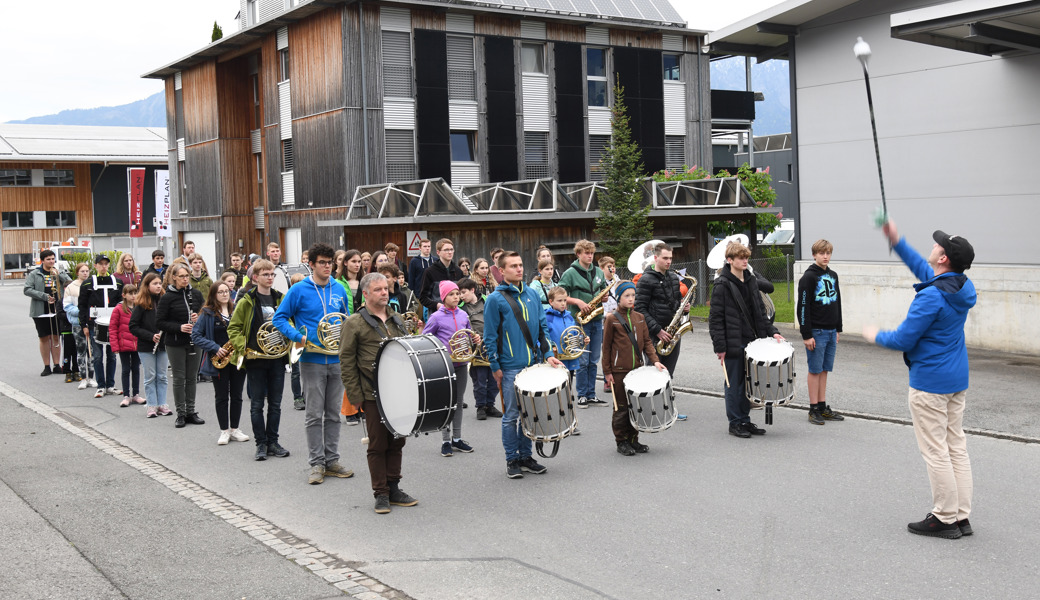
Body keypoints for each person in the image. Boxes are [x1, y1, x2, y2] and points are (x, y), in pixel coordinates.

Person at [863, 221, 976, 540]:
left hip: (930, 383)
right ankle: (961, 516)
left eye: (938, 245)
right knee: (956, 446)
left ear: (943, 259)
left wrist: (876, 335)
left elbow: (903, 339)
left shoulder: (932, 297)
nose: (935, 245)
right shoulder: (961, 286)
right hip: (956, 378)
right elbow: (921, 267)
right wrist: (896, 241)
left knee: (937, 451)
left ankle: (944, 517)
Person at [273, 243, 354, 485]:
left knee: (333, 414)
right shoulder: (299, 289)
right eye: (322, 262)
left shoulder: (339, 288)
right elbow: (279, 318)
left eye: (330, 263)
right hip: (311, 359)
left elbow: (345, 321)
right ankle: (316, 463)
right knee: (313, 414)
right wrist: (298, 337)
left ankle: (332, 461)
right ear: (312, 264)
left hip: (336, 359)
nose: (327, 266)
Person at [340, 273, 418, 514]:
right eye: (378, 290)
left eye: (386, 288)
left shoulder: (396, 318)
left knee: (398, 439)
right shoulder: (354, 323)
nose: (384, 292)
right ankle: (381, 493)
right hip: (372, 393)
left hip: (400, 391)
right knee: (377, 444)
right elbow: (346, 361)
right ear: (365, 294)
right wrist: (356, 397)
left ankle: (394, 488)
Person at [483, 251, 563, 479]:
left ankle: (526, 457)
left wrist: (548, 354)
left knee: (530, 414)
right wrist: (495, 365)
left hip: (533, 365)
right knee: (511, 416)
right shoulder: (494, 299)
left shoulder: (532, 294)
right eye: (513, 266)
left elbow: (542, 329)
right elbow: (489, 336)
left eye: (520, 265)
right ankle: (512, 459)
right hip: (509, 367)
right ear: (501, 270)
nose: (519, 269)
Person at [708, 242, 783, 439]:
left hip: (752, 342)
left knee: (749, 384)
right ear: (729, 260)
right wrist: (720, 347)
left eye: (746, 258)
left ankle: (745, 420)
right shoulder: (721, 285)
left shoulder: (751, 281)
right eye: (741, 258)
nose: (745, 261)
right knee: (734, 384)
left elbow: (760, 312)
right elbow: (715, 320)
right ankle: (735, 422)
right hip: (733, 343)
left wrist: (773, 332)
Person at [228, 259, 290, 461]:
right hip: (256, 358)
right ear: (255, 277)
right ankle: (260, 444)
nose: (270, 278)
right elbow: (234, 328)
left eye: (272, 274)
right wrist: (242, 347)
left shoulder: (281, 299)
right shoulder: (247, 301)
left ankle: (273, 441)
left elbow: (290, 322)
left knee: (276, 404)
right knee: (256, 405)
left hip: (277, 358)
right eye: (266, 274)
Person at [603, 281, 666, 455]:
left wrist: (655, 361)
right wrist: (607, 372)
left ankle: (633, 439)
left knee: (635, 406)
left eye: (633, 295)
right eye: (627, 296)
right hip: (618, 371)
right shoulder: (612, 318)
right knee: (621, 408)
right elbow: (606, 347)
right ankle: (621, 441)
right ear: (619, 298)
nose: (631, 299)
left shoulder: (640, 317)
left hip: (637, 370)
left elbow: (647, 342)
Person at [193, 282, 250, 446]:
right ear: (214, 295)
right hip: (220, 359)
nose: (225, 294)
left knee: (237, 395)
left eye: (227, 291)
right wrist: (215, 348)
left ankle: (235, 429)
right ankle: (224, 431)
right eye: (221, 292)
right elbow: (196, 335)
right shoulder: (207, 313)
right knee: (222, 396)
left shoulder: (236, 310)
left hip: (237, 358)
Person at [423, 281, 476, 457]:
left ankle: (457, 439)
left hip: (462, 364)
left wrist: (475, 340)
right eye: (452, 294)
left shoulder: (463, 315)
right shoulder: (436, 317)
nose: (456, 297)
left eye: (458, 294)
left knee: (459, 402)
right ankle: (445, 440)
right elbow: (425, 338)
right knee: (447, 403)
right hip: (445, 365)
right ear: (444, 297)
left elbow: (468, 334)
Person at [797, 239, 845, 425]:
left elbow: (837, 303)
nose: (825, 256)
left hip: (831, 331)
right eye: (822, 253)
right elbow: (802, 307)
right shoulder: (808, 277)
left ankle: (823, 406)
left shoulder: (833, 275)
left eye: (828, 253)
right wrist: (806, 334)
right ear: (814, 255)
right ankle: (813, 408)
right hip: (816, 332)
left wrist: (838, 328)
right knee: (815, 370)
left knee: (825, 370)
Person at [558, 240, 608, 408]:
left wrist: (604, 296)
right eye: (586, 253)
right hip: (580, 320)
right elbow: (560, 295)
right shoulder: (570, 273)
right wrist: (578, 301)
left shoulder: (599, 272)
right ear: (578, 254)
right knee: (583, 360)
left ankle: (592, 394)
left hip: (596, 319)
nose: (589, 256)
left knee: (594, 360)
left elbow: (603, 290)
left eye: (591, 253)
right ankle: (581, 395)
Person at [156, 263, 205, 428]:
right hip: (175, 342)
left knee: (192, 377)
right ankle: (181, 414)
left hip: (194, 341)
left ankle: (191, 411)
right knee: (179, 378)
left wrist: (199, 317)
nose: (185, 279)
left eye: (187, 276)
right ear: (174, 277)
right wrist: (179, 327)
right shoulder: (167, 297)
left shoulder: (196, 294)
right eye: (182, 276)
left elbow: (205, 313)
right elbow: (160, 322)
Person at [634, 243, 683, 376]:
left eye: (670, 258)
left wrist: (683, 307)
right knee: (654, 373)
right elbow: (639, 309)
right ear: (655, 258)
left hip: (672, 332)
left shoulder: (673, 277)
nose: (669, 262)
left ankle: (667, 396)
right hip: (654, 335)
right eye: (665, 258)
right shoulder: (645, 279)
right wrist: (657, 330)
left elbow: (676, 301)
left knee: (668, 372)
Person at [544, 286, 587, 434]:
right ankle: (555, 423)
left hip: (570, 360)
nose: (563, 304)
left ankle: (569, 422)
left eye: (565, 300)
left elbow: (574, 335)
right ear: (551, 302)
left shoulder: (569, 317)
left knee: (567, 391)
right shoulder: (547, 317)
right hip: (556, 360)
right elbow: (542, 338)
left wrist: (582, 339)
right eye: (559, 301)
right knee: (555, 393)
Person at [79, 254, 122, 397]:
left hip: (113, 324)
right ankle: (101, 385)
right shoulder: (87, 283)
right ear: (96, 266)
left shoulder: (117, 282)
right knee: (97, 356)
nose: (104, 266)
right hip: (94, 324)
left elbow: (122, 304)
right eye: (101, 264)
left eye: (106, 264)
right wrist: (83, 325)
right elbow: (82, 306)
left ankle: (110, 385)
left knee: (112, 356)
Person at [459, 278, 501, 421]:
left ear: (472, 290)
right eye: (459, 293)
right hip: (476, 348)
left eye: (463, 292)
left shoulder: (488, 301)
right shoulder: (461, 309)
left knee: (495, 377)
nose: (461, 296)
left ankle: (490, 404)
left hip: (493, 343)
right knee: (480, 380)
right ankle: (481, 407)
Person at [130, 273, 171, 418]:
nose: (158, 286)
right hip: (146, 346)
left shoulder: (165, 302)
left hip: (163, 344)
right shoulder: (141, 304)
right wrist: (150, 336)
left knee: (162, 376)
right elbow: (133, 327)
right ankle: (151, 405)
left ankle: (162, 404)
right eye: (155, 283)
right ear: (147, 286)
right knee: (150, 376)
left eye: (160, 283)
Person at [24, 249, 70, 376]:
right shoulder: (35, 274)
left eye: (53, 259)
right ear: (42, 260)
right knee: (44, 337)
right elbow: (27, 289)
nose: (51, 261)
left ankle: (56, 365)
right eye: (48, 259)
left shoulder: (59, 271)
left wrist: (60, 273)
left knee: (56, 337)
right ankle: (46, 366)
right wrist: (44, 296)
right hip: (41, 309)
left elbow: (69, 284)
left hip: (57, 309)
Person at [108, 284, 144, 408]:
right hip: (124, 344)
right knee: (125, 369)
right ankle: (126, 396)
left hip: (137, 344)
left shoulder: (139, 307)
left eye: (135, 293)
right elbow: (112, 328)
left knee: (136, 368)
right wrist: (115, 346)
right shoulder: (118, 309)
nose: (133, 296)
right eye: (130, 293)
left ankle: (136, 394)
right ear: (124, 295)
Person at [63, 263, 95, 388]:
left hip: (91, 323)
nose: (85, 273)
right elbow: (67, 306)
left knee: (91, 351)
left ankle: (91, 377)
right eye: (82, 271)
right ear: (77, 273)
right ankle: (83, 377)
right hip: (77, 323)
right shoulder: (71, 287)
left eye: (87, 271)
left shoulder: (92, 284)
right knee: (81, 351)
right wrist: (81, 312)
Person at [418, 238, 464, 315]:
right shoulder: (430, 272)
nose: (450, 252)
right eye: (446, 250)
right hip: (437, 314)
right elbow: (423, 298)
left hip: (456, 313)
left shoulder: (458, 271)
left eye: (451, 249)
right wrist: (437, 305)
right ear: (438, 252)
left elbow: (462, 293)